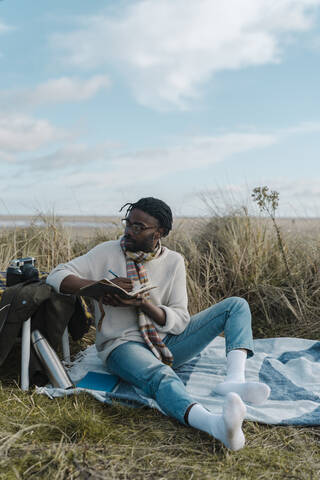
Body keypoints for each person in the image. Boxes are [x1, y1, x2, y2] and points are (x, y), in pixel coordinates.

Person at [46, 197, 270, 451]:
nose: (129, 231)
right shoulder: (106, 252)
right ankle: (216, 425)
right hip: (122, 345)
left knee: (236, 305)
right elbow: (56, 275)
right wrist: (96, 290)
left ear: (159, 232)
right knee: (162, 375)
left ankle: (234, 380)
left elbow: (179, 320)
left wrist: (144, 305)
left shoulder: (174, 261)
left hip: (164, 340)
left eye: (139, 227)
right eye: (127, 223)